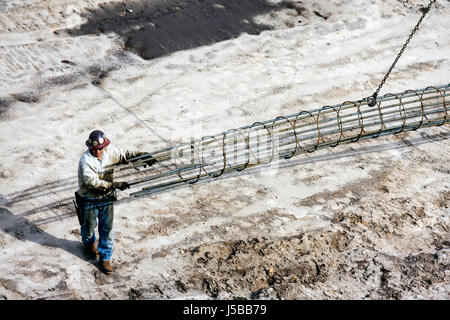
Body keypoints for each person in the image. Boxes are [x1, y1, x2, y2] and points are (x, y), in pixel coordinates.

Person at [74, 130, 156, 275]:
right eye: (94, 149)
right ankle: (89, 244)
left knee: (107, 229)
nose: (98, 152)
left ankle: (105, 258)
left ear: (104, 147)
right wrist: (115, 185)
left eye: (100, 149)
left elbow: (125, 155)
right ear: (90, 147)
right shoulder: (85, 160)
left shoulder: (110, 151)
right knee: (88, 228)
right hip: (88, 200)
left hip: (106, 198)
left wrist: (140, 155)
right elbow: (91, 182)